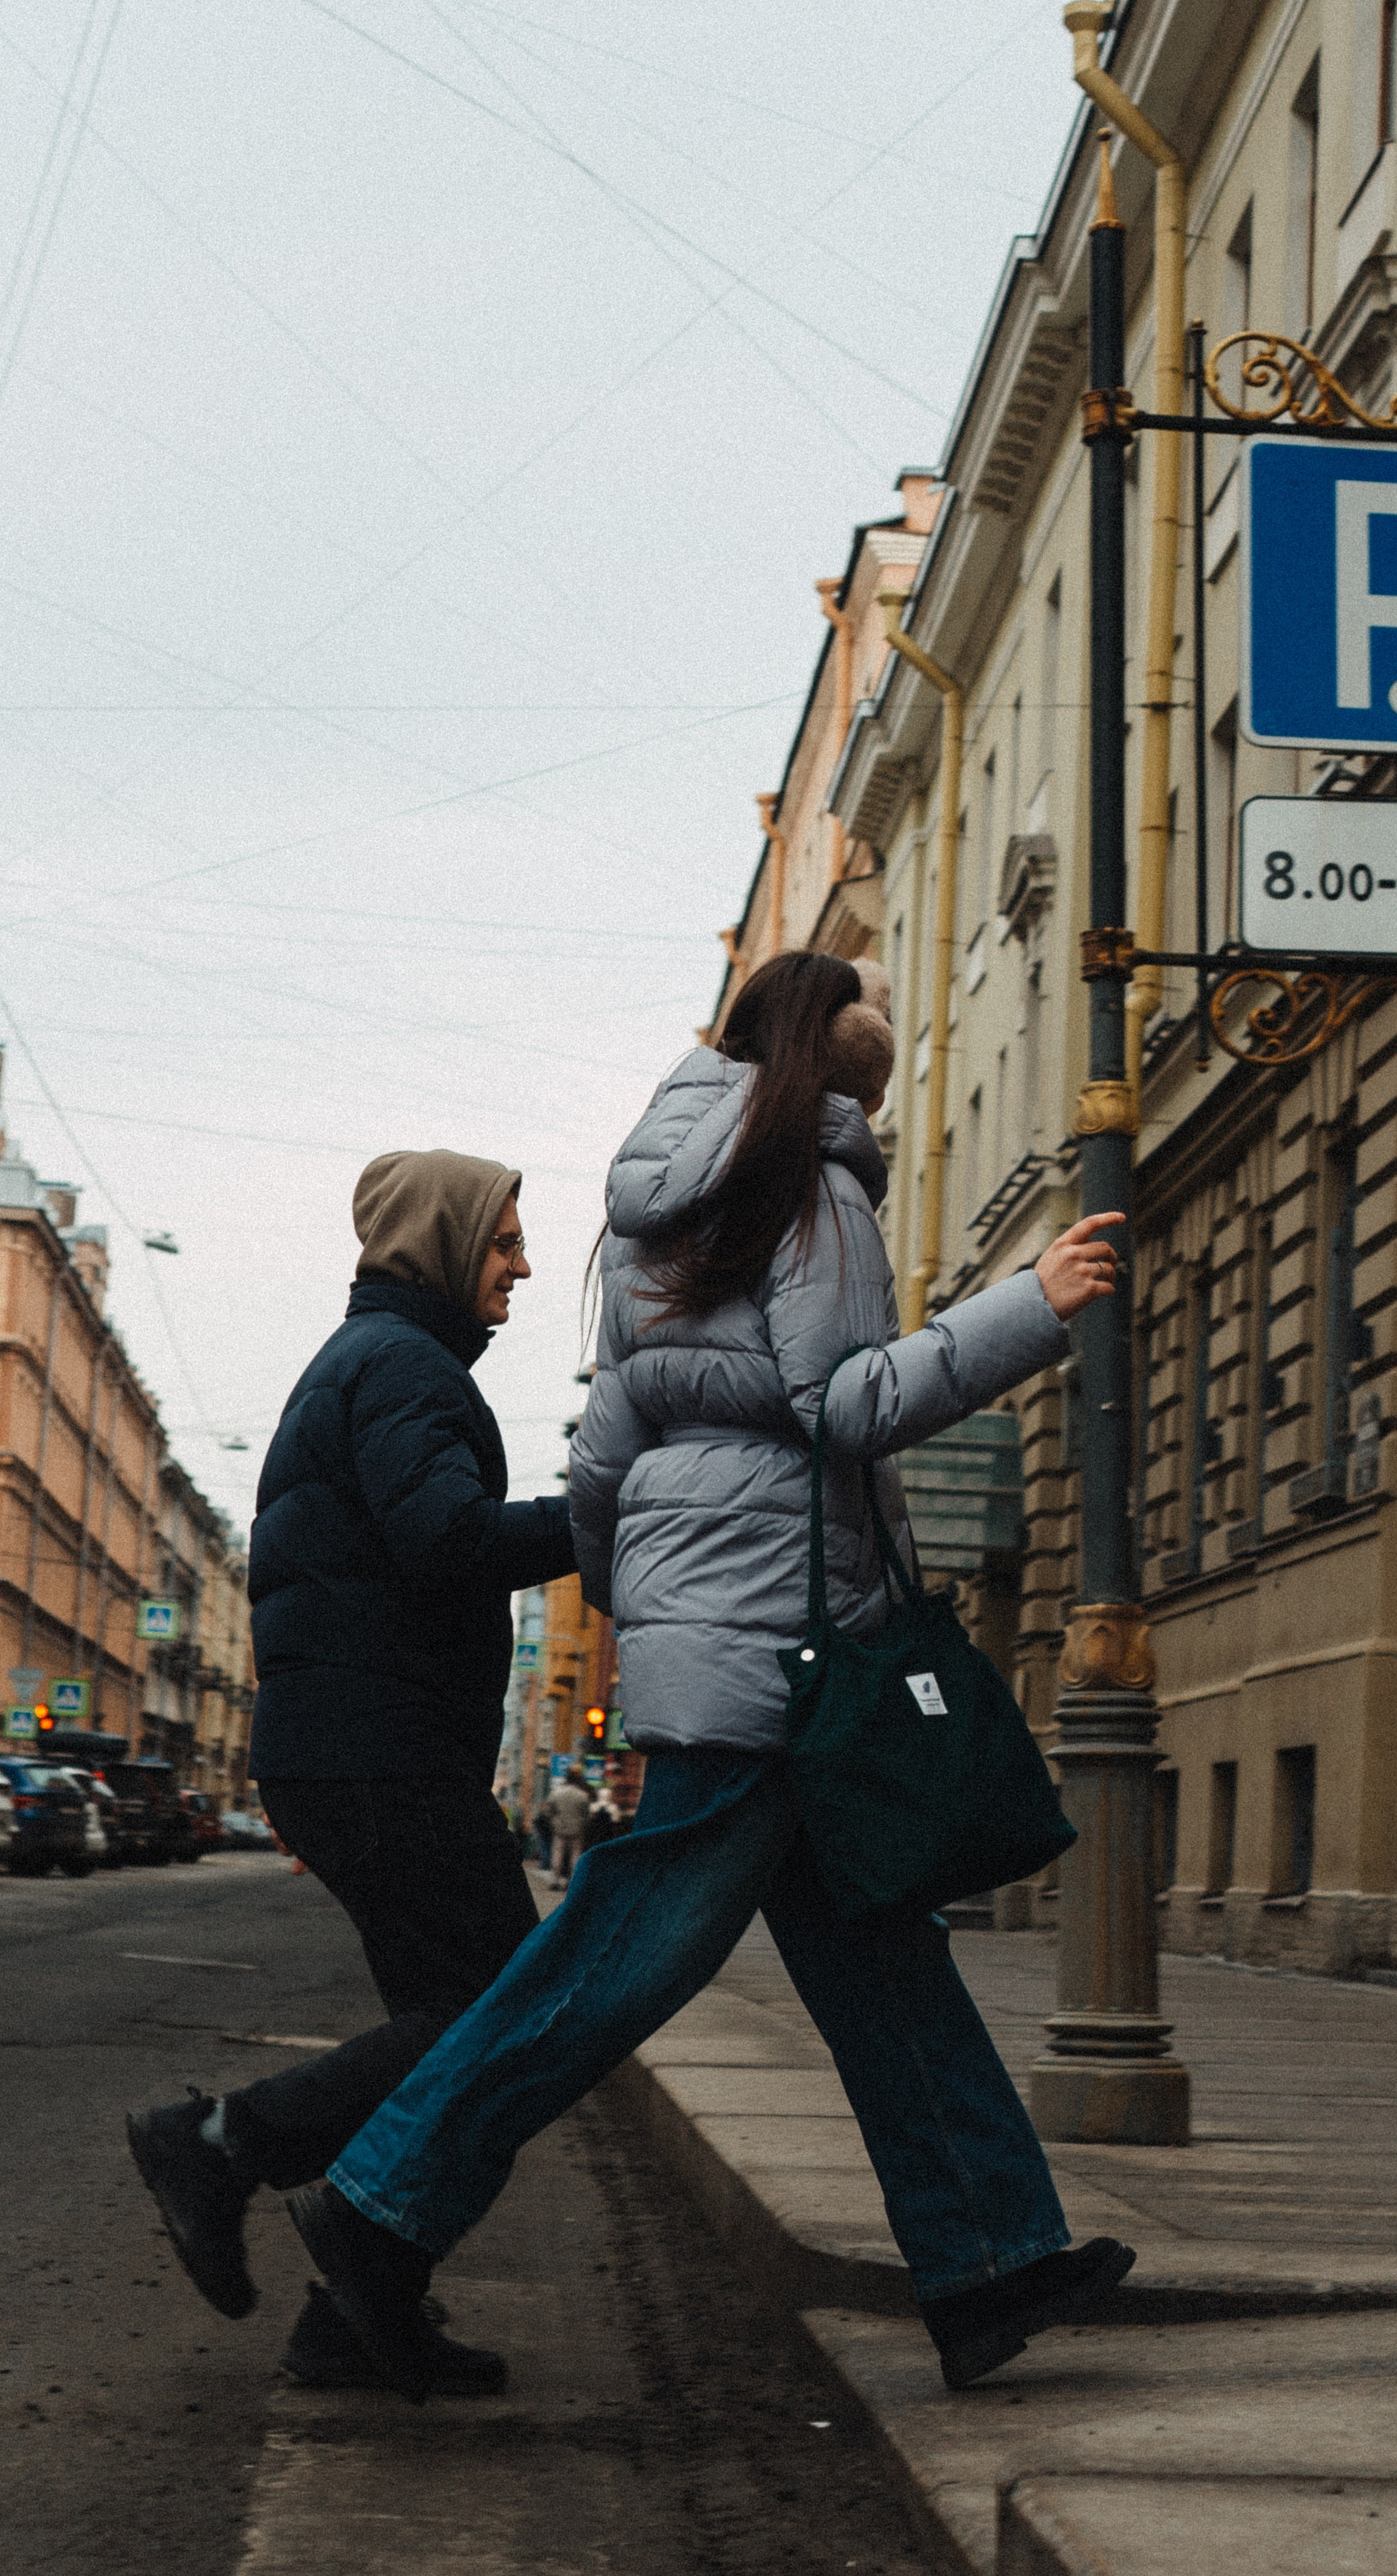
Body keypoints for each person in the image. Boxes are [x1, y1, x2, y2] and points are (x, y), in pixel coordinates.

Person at [282, 953, 1133, 2401]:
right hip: (786, 1638)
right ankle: (374, 2209)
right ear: (844, 1064)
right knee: (622, 1954)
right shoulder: (810, 1186)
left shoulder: (653, 1205)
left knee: (880, 1955)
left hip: (715, 1617)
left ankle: (989, 2254)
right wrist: (1027, 1305)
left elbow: (608, 1443)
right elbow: (849, 1403)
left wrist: (640, 1607)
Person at [127, 1148, 573, 2394]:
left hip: (359, 1752)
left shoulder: (379, 1363)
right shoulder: (405, 1372)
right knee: (502, 2016)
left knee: (448, 2030)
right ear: (441, 1243)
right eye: (502, 1242)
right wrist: (604, 1512)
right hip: (381, 1756)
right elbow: (447, 1541)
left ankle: (356, 2308)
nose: (522, 1265)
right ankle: (219, 2143)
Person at [546, 1765, 592, 1886]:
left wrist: (554, 1821)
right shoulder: (582, 1795)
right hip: (577, 1829)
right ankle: (571, 1881)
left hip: (559, 1828)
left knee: (557, 1854)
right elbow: (587, 1813)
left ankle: (554, 1880)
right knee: (575, 1856)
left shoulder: (557, 1793)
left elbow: (549, 1810)